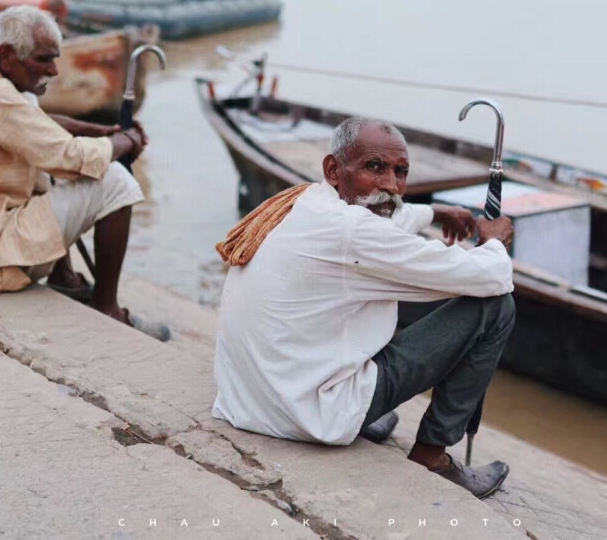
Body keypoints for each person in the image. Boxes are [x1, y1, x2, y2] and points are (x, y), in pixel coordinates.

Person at [212, 117, 516, 498]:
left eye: (400, 171)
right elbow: (491, 277)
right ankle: (433, 455)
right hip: (306, 413)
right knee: (496, 307)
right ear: (334, 170)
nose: (391, 184)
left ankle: (360, 412)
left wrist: (436, 212)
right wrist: (493, 242)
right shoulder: (353, 232)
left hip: (250, 399)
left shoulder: (305, 201)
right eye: (375, 167)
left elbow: (384, 217)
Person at [0, 5, 159, 335]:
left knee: (44, 161)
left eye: (54, 58)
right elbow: (69, 155)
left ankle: (63, 275)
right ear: (7, 56)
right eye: (43, 60)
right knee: (115, 180)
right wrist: (127, 141)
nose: (54, 71)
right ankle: (107, 308)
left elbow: (35, 124)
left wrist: (100, 132)